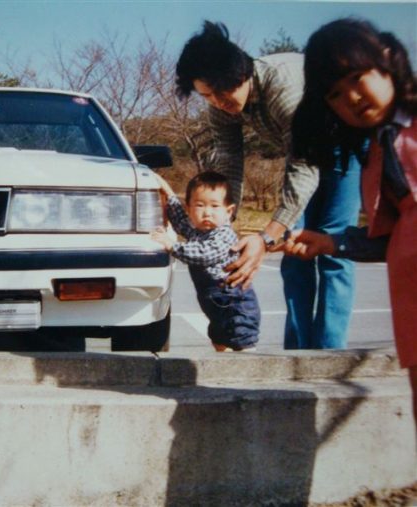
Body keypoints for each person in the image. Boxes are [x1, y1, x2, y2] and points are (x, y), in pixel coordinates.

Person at [174, 20, 361, 350]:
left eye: (222, 91)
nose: (217, 102)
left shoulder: (284, 88)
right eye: (207, 96)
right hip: (302, 155)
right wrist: (222, 225)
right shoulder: (220, 107)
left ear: (241, 73)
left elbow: (306, 165)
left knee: (331, 249)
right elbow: (229, 161)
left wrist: (266, 236)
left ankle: (330, 355)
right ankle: (298, 353)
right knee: (294, 255)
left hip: (343, 148)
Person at [284, 18, 417, 418]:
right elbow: (390, 237)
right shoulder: (376, 153)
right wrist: (333, 243)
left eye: (358, 77)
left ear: (389, 60)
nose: (353, 98)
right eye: (336, 94)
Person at [151, 171, 260, 352]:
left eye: (215, 206)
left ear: (229, 211)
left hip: (234, 304)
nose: (207, 212)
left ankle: (248, 371)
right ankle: (223, 364)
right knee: (218, 339)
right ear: (189, 209)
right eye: (199, 205)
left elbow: (203, 254)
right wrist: (168, 193)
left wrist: (172, 246)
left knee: (242, 341)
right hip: (214, 305)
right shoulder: (198, 232)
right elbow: (180, 221)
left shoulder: (224, 235)